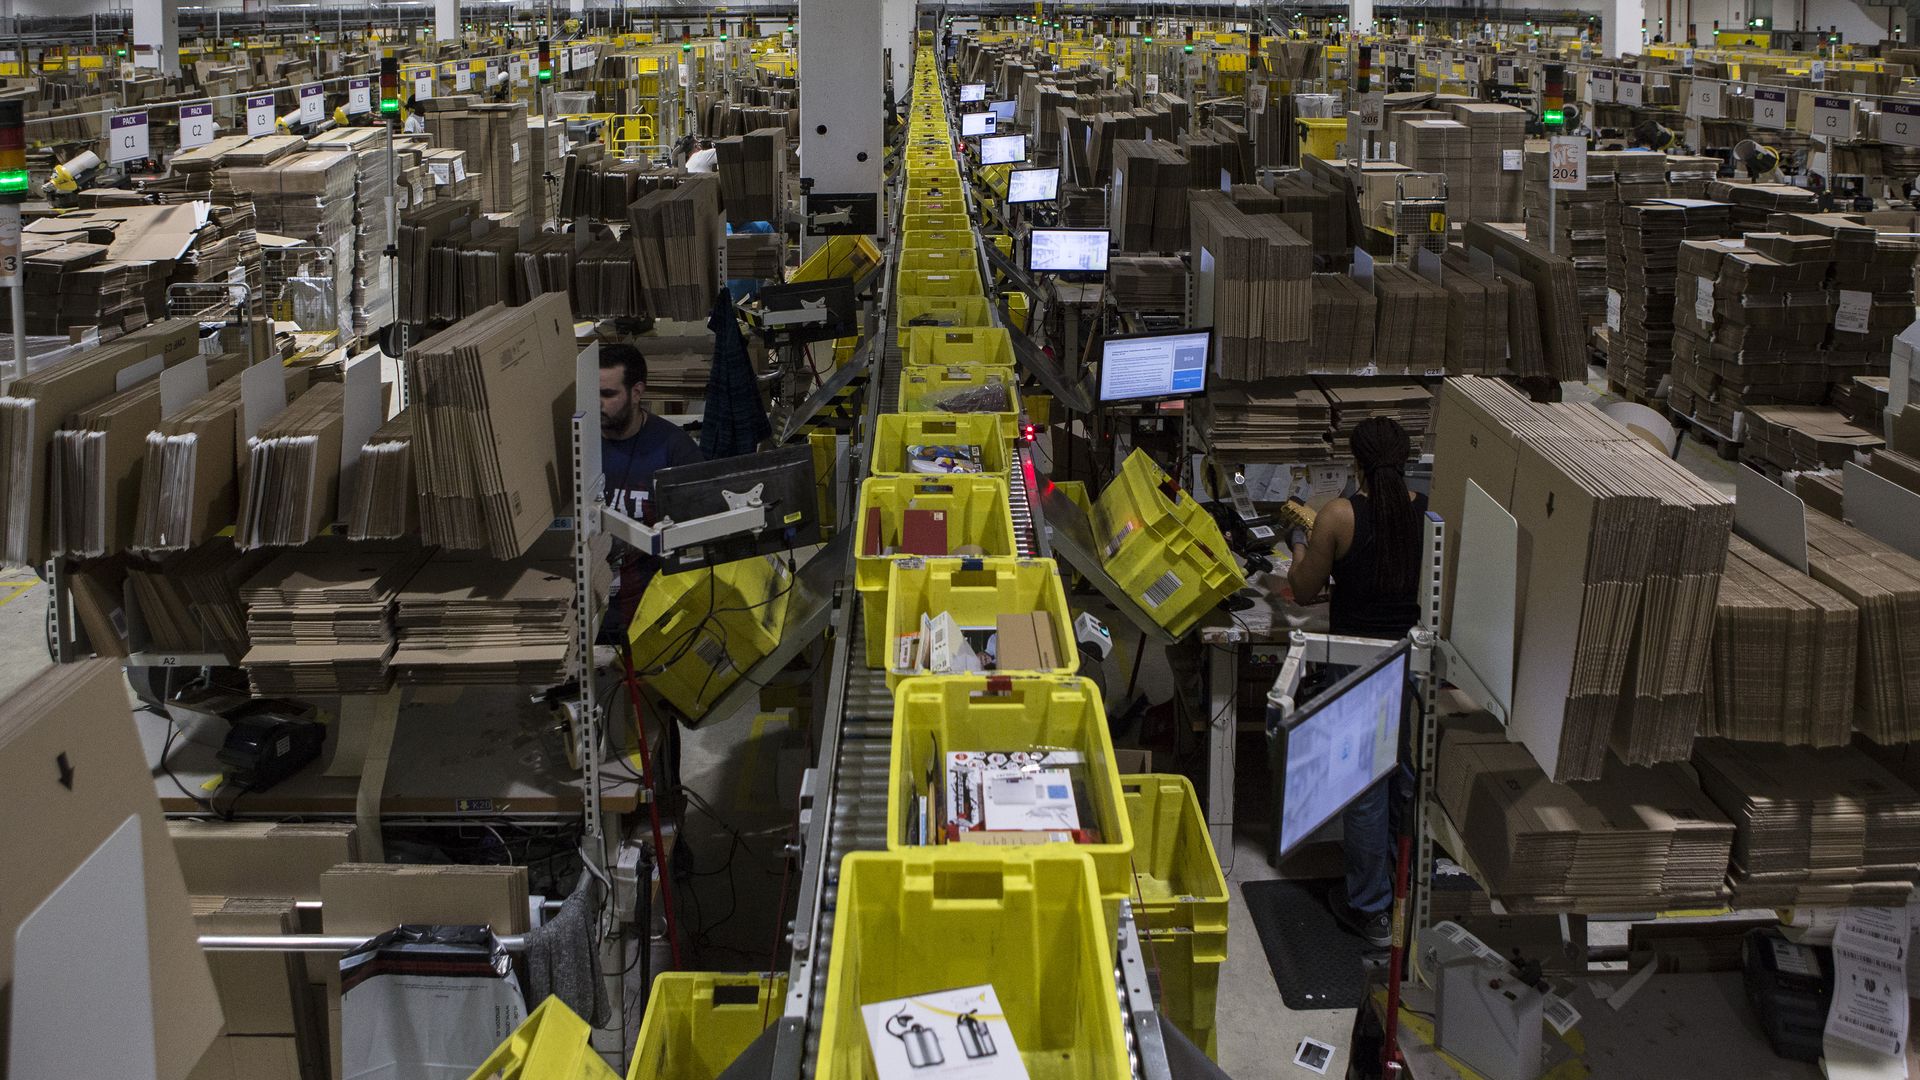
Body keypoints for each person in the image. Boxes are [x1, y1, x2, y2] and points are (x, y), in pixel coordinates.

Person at [1284, 417, 1427, 949]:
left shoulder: (1339, 514)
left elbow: (1302, 589)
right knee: (1402, 777)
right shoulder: (1424, 509)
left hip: (1356, 661)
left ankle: (1368, 906)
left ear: (1356, 462)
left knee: (1364, 787)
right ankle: (1402, 891)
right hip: (1411, 659)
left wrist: (1300, 542)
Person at [600, 344, 703, 644]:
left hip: (652, 608)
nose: (598, 404)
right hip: (590, 602)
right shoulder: (581, 445)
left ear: (636, 392)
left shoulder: (675, 449)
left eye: (608, 395)